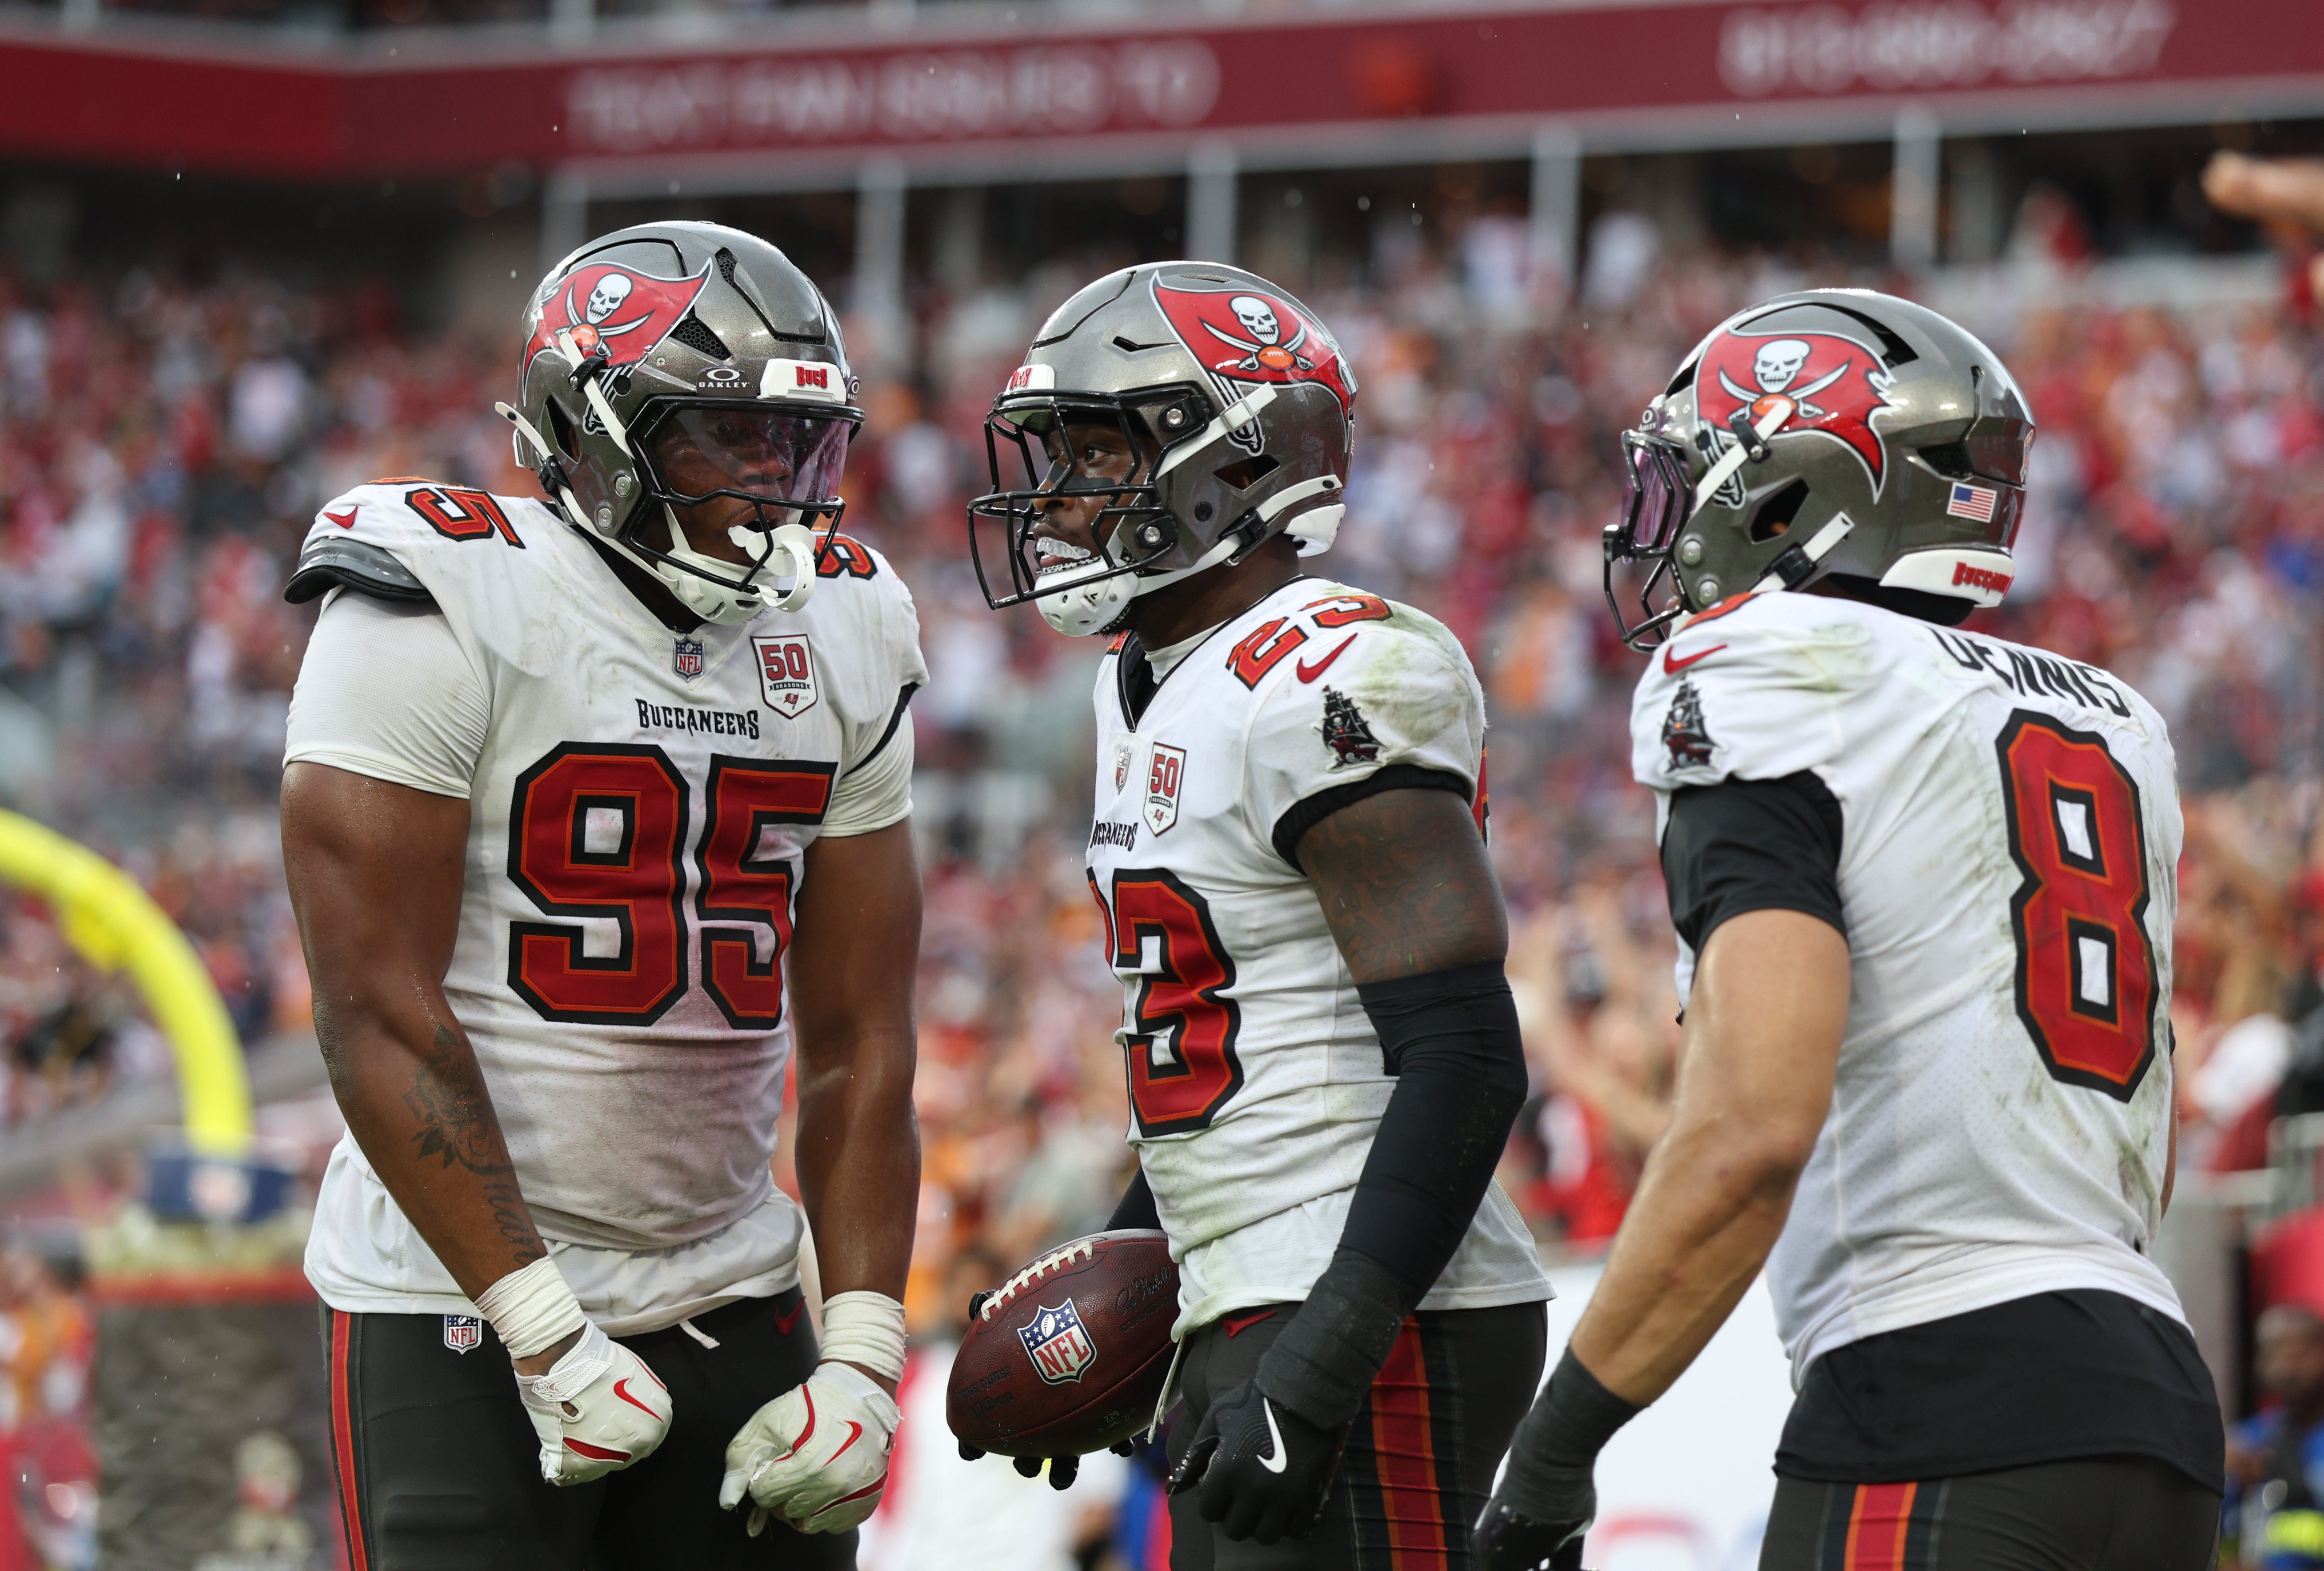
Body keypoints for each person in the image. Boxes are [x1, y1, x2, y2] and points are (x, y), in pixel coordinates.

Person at [1477, 290, 2224, 1571]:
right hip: (2151, 1406)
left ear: (1787, 496)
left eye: (1688, 482)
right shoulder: (2117, 719)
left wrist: (1552, 1452)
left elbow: (1755, 1127)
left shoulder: (1776, 665)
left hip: (1937, 1393)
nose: (1665, 525)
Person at [279, 221, 927, 1567]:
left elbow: (863, 1030)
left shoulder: (846, 622)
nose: (770, 488)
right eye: (726, 438)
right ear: (592, 436)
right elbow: (374, 1007)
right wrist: (542, 1327)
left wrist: (866, 1351)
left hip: (735, 1286)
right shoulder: (438, 593)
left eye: (793, 446)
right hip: (458, 1298)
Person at [961, 262, 1553, 1566]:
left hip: (1376, 1307)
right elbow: (1224, 1045)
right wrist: (1118, 1283)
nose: (1057, 499)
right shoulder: (1147, 682)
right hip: (1251, 1294)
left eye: (1098, 453)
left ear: (1234, 464)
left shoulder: (1332, 667)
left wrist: (1326, 1357)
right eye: (1055, 458)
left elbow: (1465, 1053)